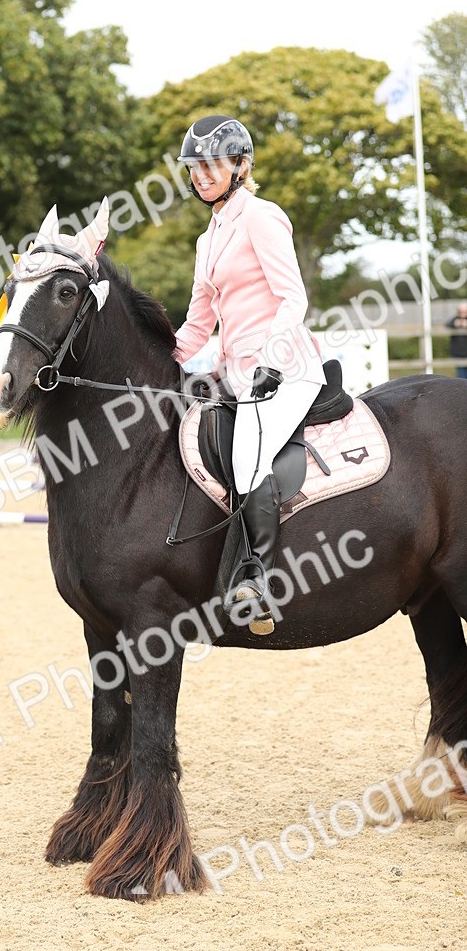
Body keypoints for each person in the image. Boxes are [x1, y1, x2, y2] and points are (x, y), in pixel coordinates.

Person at [173, 115, 325, 635]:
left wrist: (271, 360)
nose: (201, 175)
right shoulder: (207, 239)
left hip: (283, 368)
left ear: (240, 166)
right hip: (235, 371)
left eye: (212, 164)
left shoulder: (262, 216)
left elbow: (293, 297)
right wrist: (159, 361)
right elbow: (198, 322)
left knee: (245, 453)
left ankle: (257, 576)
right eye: (195, 167)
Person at [447, 302, 467, 379]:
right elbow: (447, 324)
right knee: (461, 376)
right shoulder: (455, 319)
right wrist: (455, 324)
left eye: (464, 311)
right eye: (460, 311)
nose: (462, 313)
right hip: (458, 352)